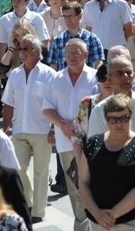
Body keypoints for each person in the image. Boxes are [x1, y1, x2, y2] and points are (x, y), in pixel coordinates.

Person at [42, 38, 98, 229]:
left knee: (94, 187)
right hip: (65, 143)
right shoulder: (55, 79)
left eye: (76, 53)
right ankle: (82, 224)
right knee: (75, 188)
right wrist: (61, 125)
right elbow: (46, 108)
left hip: (92, 143)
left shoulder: (96, 78)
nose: (72, 57)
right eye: (68, 53)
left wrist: (78, 127)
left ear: (86, 55)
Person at [79, 94, 135, 231]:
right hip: (97, 222)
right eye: (114, 119)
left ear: (131, 117)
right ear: (106, 120)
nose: (119, 124)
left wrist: (111, 215)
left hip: (131, 223)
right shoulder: (92, 144)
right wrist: (97, 214)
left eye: (124, 118)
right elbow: (83, 182)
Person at [2, 34, 55, 224]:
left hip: (42, 130)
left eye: (25, 49)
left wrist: (53, 130)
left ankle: (38, 211)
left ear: (36, 51)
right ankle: (28, 200)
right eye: (20, 49)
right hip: (19, 129)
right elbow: (8, 103)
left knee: (41, 172)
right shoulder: (14, 74)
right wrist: (6, 127)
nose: (21, 53)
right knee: (17, 169)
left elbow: (55, 105)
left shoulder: (49, 74)